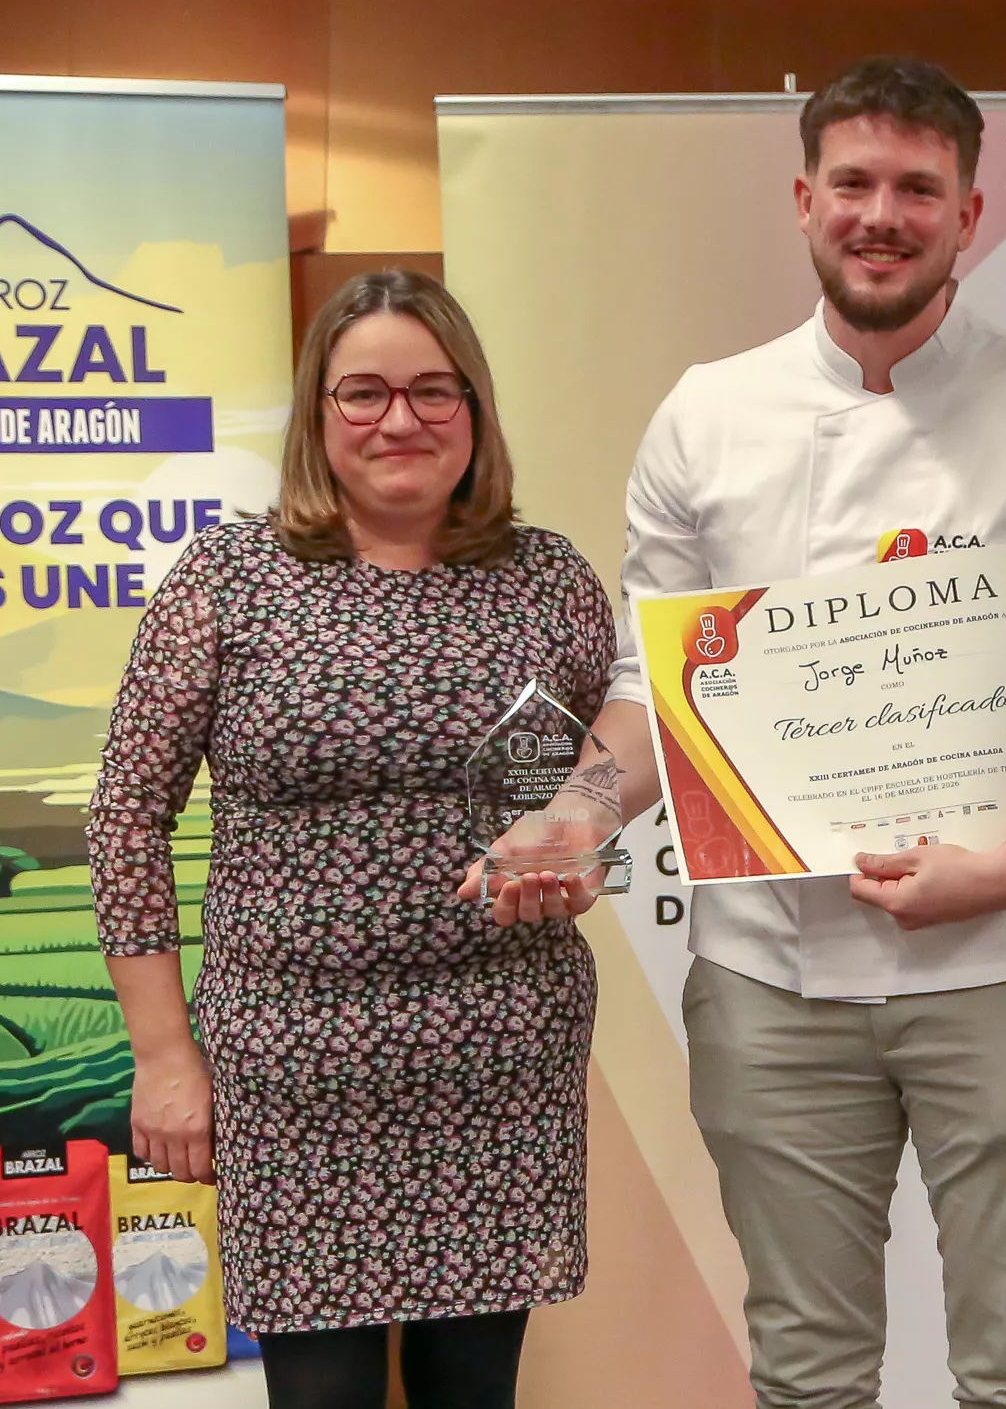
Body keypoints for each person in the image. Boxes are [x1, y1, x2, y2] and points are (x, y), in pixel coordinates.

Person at [561, 55, 1006, 1409]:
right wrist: (576, 816)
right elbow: (656, 689)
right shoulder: (706, 416)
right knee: (806, 1371)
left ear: (969, 214)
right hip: (769, 971)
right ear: (803, 201)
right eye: (852, 182)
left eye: (918, 188)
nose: (881, 215)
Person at [89, 270, 617, 1409]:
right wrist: (164, 1054)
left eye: (434, 390)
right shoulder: (229, 579)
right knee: (321, 1395)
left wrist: (570, 839)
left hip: (498, 1062)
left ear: (474, 408)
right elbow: (127, 816)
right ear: (319, 416)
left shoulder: (547, 583)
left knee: (472, 1390)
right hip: (291, 1073)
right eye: (364, 392)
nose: (399, 419)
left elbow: (582, 780)